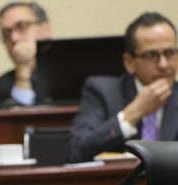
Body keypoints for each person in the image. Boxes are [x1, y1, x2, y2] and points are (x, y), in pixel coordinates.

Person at [66, 12, 178, 163]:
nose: (163, 65)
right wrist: (133, 113)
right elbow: (75, 151)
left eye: (170, 53)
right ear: (129, 62)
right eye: (151, 55)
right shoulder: (102, 92)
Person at [0, 2, 52, 109]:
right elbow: (19, 118)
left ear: (46, 29)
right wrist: (23, 74)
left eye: (22, 26)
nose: (14, 38)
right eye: (6, 33)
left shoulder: (73, 75)